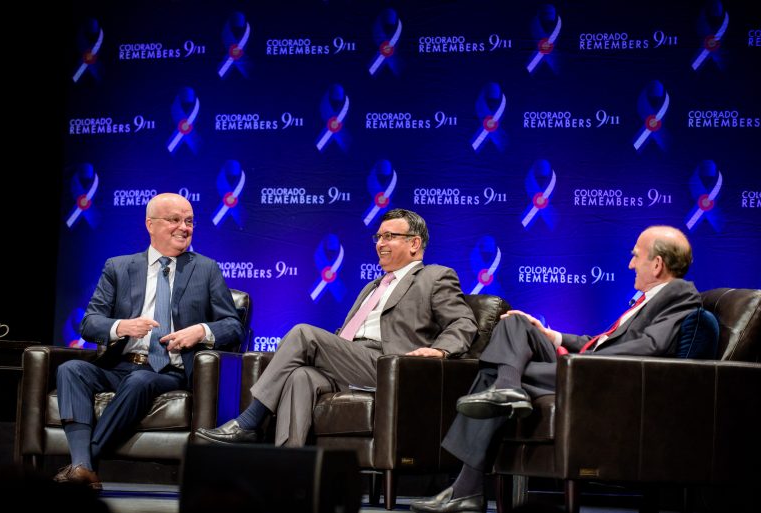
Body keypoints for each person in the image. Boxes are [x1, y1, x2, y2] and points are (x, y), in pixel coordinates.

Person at [410, 225, 701, 513]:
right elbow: (603, 341)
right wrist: (553, 337)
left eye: (636, 256)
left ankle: (468, 485)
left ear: (658, 264)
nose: (630, 263)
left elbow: (649, 347)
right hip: (591, 366)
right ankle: (507, 388)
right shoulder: (652, 298)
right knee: (515, 322)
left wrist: (583, 362)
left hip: (602, 376)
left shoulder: (679, 295)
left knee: (492, 373)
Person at [196, 208, 478, 447]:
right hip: (352, 362)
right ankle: (286, 471)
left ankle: (250, 420)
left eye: (389, 236)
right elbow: (349, 334)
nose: (380, 243)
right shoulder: (373, 286)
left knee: (303, 333)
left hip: (390, 365)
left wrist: (440, 350)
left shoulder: (435, 276)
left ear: (414, 243)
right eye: (378, 237)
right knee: (301, 377)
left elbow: (463, 322)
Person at [54, 193, 244, 489]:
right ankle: (83, 466)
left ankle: (82, 465)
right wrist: (122, 326)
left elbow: (234, 326)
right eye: (175, 220)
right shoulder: (119, 267)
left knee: (140, 381)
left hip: (170, 371)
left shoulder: (206, 269)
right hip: (119, 365)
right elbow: (89, 323)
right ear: (150, 225)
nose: (184, 227)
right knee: (70, 370)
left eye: (190, 221)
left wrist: (201, 331)